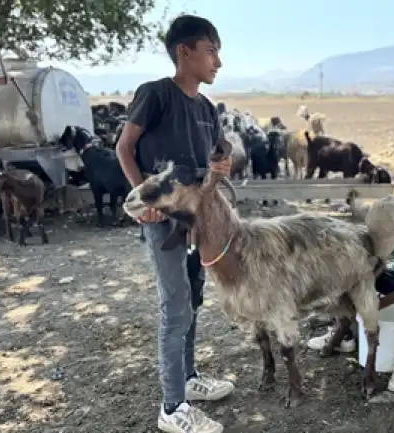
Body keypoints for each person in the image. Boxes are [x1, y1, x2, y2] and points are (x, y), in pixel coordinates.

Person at [115, 14, 235, 433]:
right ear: (185, 52)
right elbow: (124, 147)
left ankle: (187, 378)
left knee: (194, 299)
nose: (218, 61)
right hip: (161, 221)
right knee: (175, 307)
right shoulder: (156, 95)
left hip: (197, 222)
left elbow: (213, 160)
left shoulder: (206, 109)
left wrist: (221, 165)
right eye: (212, 51)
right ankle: (172, 408)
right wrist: (141, 198)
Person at [307, 206, 394, 393]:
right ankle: (343, 334)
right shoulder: (378, 226)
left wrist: (380, 304)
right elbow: (375, 264)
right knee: (354, 273)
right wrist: (366, 281)